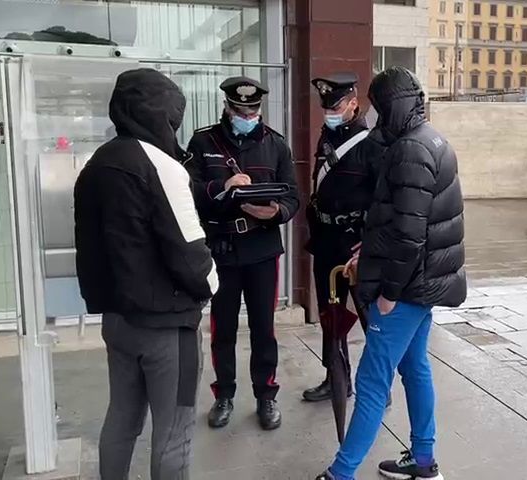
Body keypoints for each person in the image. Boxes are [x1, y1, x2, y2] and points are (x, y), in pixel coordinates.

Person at [316, 66, 467, 480]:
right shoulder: (430, 139)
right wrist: (372, 248)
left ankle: (340, 474)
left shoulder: (410, 150)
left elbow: (411, 235)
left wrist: (390, 293)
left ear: (393, 106)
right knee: (414, 367)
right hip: (422, 285)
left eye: (381, 107)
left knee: (370, 384)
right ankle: (423, 461)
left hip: (406, 288)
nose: (378, 117)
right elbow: (408, 220)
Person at [74, 68, 219, 480]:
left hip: (117, 321)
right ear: (161, 115)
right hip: (167, 329)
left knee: (121, 420)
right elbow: (190, 255)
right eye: (174, 118)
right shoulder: (163, 165)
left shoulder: (97, 164)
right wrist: (212, 283)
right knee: (174, 435)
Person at [184, 76, 299, 431]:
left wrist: (276, 212)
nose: (246, 115)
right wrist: (223, 186)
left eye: (252, 110)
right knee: (223, 328)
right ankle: (224, 394)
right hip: (221, 248)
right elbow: (188, 191)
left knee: (264, 327)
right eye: (239, 109)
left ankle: (266, 395)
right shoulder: (204, 142)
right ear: (227, 107)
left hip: (262, 247)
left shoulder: (276, 145)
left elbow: (293, 196)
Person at [302, 72, 386, 402]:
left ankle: (378, 383)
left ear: (354, 104)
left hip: (355, 244)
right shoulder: (327, 139)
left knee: (368, 317)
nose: (330, 112)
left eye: (335, 106)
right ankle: (336, 377)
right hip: (326, 240)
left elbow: (382, 201)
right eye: (326, 107)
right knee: (330, 314)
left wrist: (369, 244)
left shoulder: (371, 144)